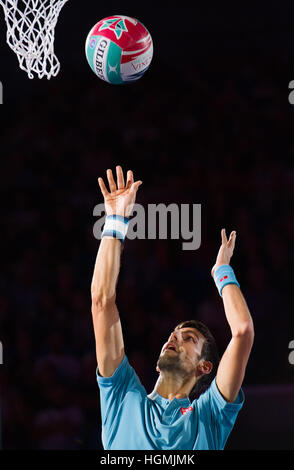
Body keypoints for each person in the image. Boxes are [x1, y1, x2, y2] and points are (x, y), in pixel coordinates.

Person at [91, 166, 254, 450]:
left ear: (205, 367)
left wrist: (222, 271)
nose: (174, 338)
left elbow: (242, 331)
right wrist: (115, 220)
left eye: (189, 338)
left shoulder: (210, 416)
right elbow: (102, 302)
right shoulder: (122, 395)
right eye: (175, 335)